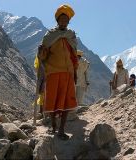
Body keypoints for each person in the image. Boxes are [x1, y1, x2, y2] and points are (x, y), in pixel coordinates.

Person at [37, 4, 78, 140]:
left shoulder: (71, 35)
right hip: (53, 72)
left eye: (66, 20)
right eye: (61, 20)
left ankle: (61, 129)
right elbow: (43, 57)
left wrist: (75, 72)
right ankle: (54, 123)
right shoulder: (49, 36)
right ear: (57, 21)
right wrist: (41, 51)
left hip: (68, 73)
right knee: (53, 100)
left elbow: (74, 54)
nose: (64, 22)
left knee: (67, 101)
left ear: (68, 22)